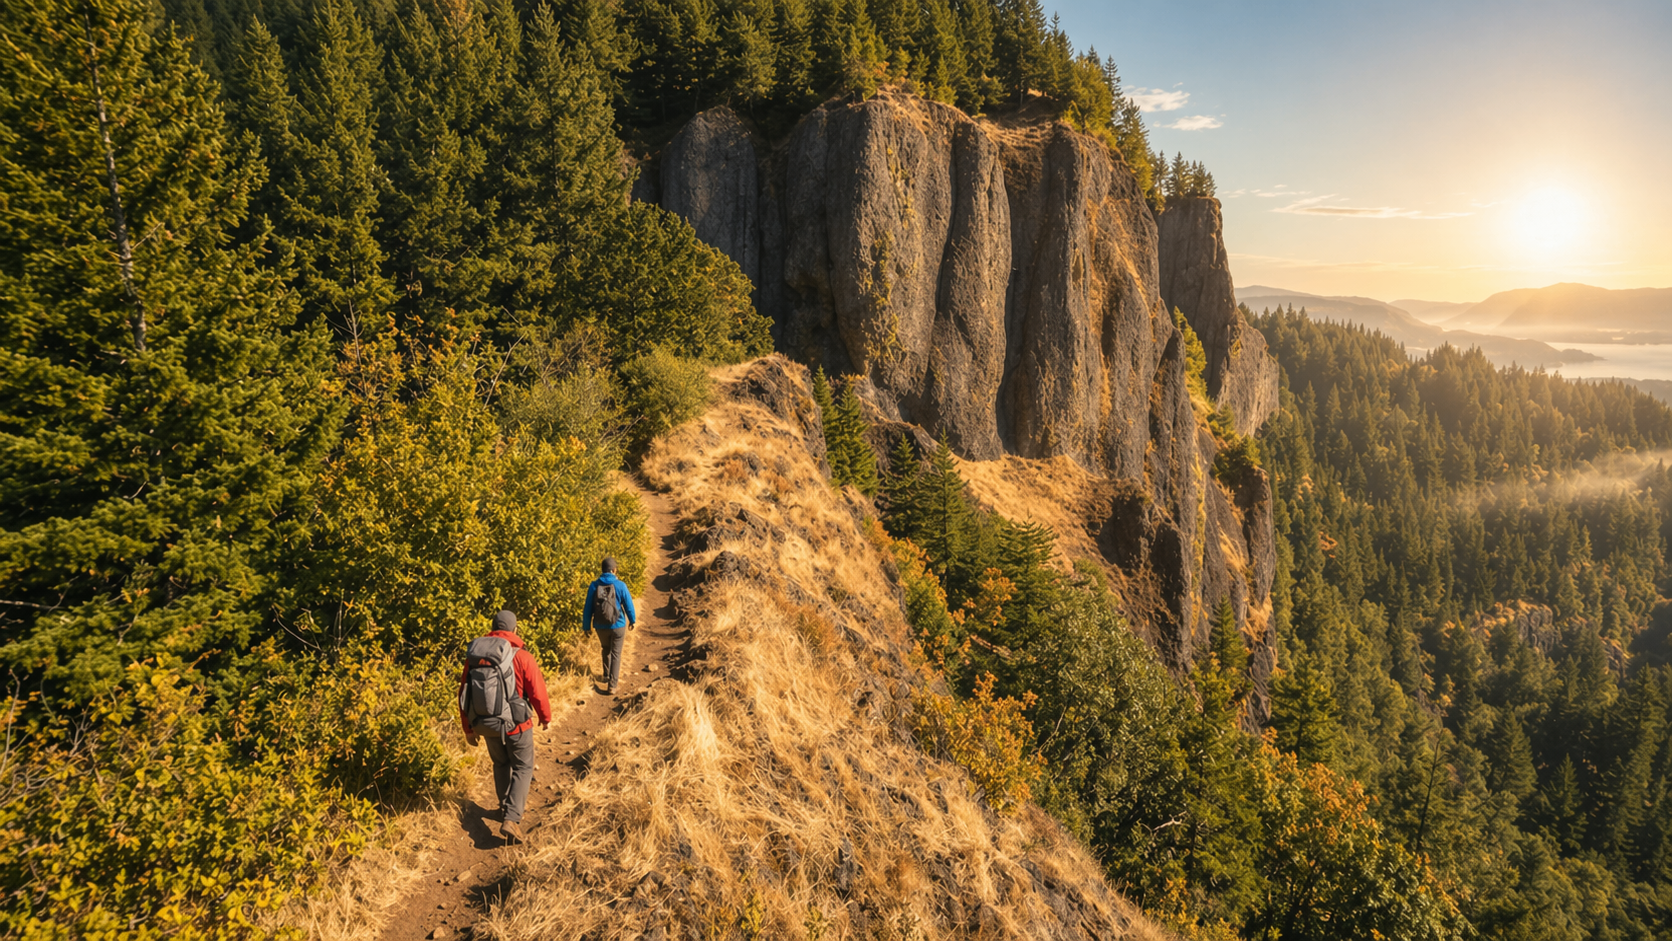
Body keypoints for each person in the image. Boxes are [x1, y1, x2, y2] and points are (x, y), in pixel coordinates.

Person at [458, 610, 551, 843]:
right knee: (522, 767)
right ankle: (511, 818)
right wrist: (545, 717)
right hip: (517, 725)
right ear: (515, 630)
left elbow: (464, 694)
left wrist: (468, 728)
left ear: (493, 629)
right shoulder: (522, 655)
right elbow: (537, 691)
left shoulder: (477, 656)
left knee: (500, 763)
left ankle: (503, 808)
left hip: (487, 724)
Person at [581, 557, 637, 694]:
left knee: (605, 648)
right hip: (618, 625)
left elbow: (588, 607)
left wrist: (586, 627)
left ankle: (606, 675)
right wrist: (632, 620)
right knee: (616, 654)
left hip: (600, 626)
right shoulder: (620, 585)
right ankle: (612, 685)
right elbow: (628, 605)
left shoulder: (594, 586)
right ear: (613, 570)